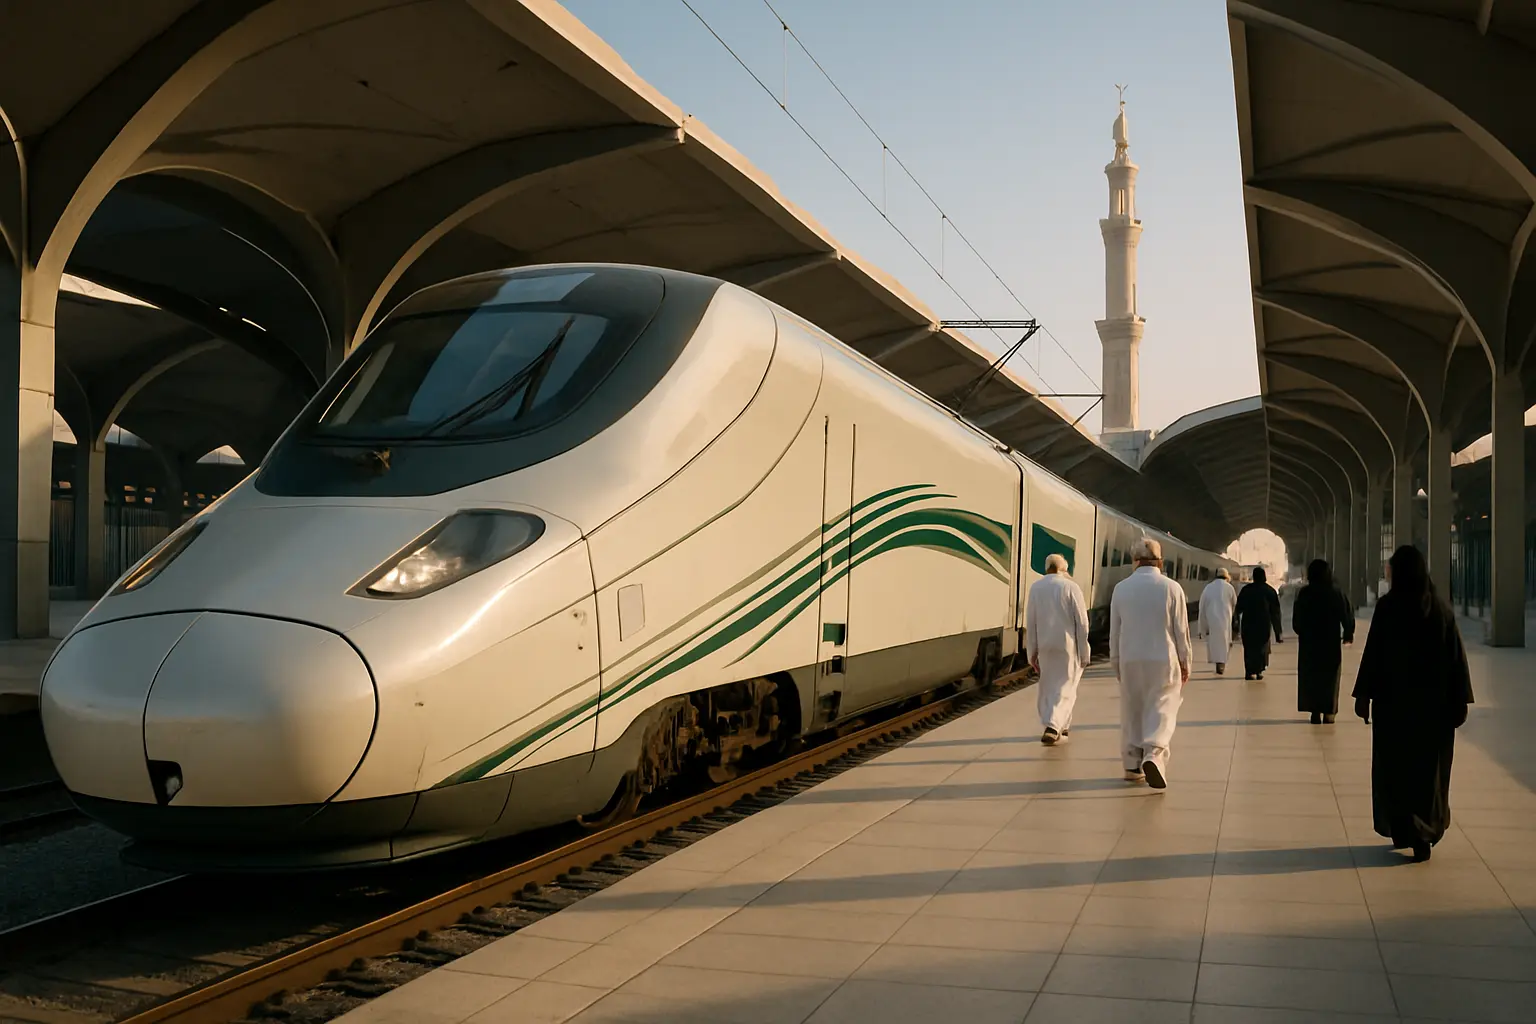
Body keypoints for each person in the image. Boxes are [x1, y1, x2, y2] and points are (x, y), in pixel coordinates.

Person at [1351, 545, 1472, 863]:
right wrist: (1461, 700)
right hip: (1435, 710)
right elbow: (1457, 659)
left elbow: (1374, 653)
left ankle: (1404, 828)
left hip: (1395, 708)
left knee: (1396, 770)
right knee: (1428, 772)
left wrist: (1364, 695)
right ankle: (1425, 831)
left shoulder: (1388, 607)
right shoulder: (1440, 609)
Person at [1109, 536, 1191, 790]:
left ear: (1134, 561)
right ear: (1160, 561)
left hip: (1130, 658)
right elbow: (1181, 632)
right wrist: (1186, 662)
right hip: (1163, 658)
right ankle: (1154, 754)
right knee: (1163, 706)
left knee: (1132, 710)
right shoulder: (1172, 588)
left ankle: (1132, 764)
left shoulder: (1120, 589)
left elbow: (1115, 632)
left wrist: (1116, 664)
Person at [1025, 552, 1091, 745]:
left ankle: (1063, 726)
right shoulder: (1071, 587)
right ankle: (1053, 725)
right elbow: (1082, 622)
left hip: (1046, 645)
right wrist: (1084, 650)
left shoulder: (1036, 588)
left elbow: (1031, 621)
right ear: (1064, 568)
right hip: (1068, 646)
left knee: (1048, 686)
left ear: (1047, 568)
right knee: (1066, 688)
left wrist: (1032, 652)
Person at [1292, 559, 1355, 724]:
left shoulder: (1304, 593)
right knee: (1330, 677)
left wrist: (1301, 631)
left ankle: (1314, 710)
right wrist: (1348, 633)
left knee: (1310, 676)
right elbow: (1346, 613)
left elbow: (1297, 619)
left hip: (1309, 643)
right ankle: (1329, 711)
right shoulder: (1335, 592)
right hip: (1330, 641)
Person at [1234, 566, 1283, 680]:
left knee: (1249, 649)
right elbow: (1275, 613)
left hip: (1248, 625)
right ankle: (1259, 670)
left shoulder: (1246, 590)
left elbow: (1238, 608)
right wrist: (1278, 632)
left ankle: (1249, 671)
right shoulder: (1270, 591)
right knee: (1262, 648)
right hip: (1263, 625)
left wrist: (1235, 625)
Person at [1197, 568, 1238, 674]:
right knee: (1224, 643)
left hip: (1212, 620)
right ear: (1226, 576)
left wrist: (1202, 626)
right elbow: (1234, 604)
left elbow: (1202, 606)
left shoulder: (1208, 588)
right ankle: (1221, 664)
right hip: (1225, 619)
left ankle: (1218, 663)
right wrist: (1232, 616)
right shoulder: (1230, 588)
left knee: (1214, 643)